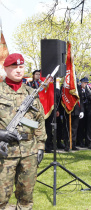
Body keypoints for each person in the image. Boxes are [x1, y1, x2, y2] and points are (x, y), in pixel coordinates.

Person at [0, 53, 47, 209]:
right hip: (4, 153)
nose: (19, 70)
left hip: (29, 152)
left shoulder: (30, 93)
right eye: (14, 67)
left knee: (26, 196)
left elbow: (39, 121)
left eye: (21, 67)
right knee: (1, 196)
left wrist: (40, 146)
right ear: (5, 68)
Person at [77, 77, 89, 147]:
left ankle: (86, 141)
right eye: (84, 83)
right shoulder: (79, 90)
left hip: (87, 110)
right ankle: (80, 141)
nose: (86, 84)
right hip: (81, 109)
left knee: (87, 126)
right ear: (81, 83)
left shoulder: (88, 90)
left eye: (87, 83)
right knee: (80, 127)